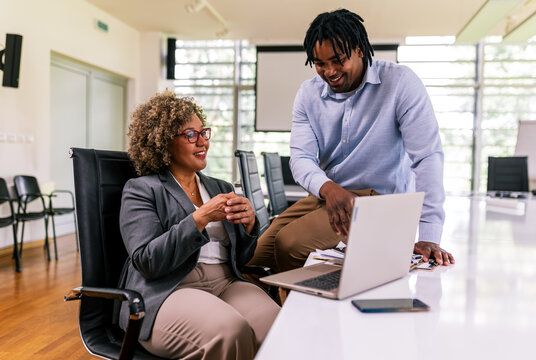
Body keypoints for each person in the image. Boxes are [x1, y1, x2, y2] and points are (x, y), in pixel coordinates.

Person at [248, 9, 454, 273]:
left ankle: (303, 309)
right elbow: (301, 159)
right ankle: (275, 307)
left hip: (379, 202)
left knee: (289, 244)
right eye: (320, 64)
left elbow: (427, 158)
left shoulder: (401, 84)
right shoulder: (308, 95)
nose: (329, 71)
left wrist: (429, 236)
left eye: (338, 60)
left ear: (359, 50)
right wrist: (329, 189)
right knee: (254, 256)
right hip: (330, 196)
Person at [118, 90, 280, 360]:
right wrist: (200, 218)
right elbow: (147, 260)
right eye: (190, 135)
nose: (202, 141)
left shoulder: (220, 187)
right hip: (170, 288)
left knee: (277, 324)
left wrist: (249, 227)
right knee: (230, 331)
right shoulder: (141, 189)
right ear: (163, 142)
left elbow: (241, 258)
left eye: (203, 132)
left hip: (226, 281)